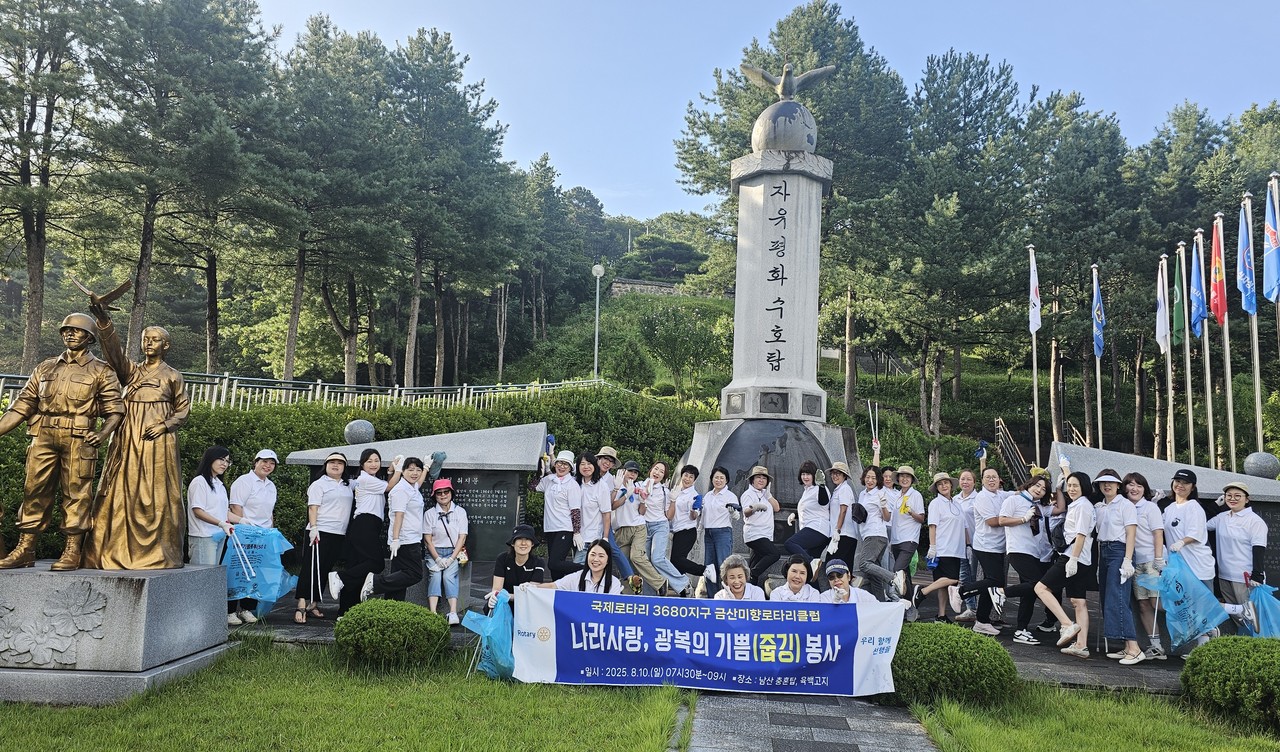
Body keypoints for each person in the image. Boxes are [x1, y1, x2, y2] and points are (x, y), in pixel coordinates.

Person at [0, 313, 124, 570]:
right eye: (66, 330)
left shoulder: (102, 370)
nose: (69, 334)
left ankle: (72, 550)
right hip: (43, 435)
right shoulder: (45, 367)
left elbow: (115, 410)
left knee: (76, 493)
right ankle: (25, 548)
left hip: (79, 438)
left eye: (76, 331)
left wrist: (102, 434)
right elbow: (22, 406)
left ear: (89, 338)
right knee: (34, 490)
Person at [82, 304, 191, 570]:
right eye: (145, 339)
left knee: (156, 491)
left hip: (158, 441)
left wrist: (165, 426)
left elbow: (183, 410)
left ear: (166, 345)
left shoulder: (173, 376)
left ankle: (159, 551)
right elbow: (114, 354)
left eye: (155, 339)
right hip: (128, 435)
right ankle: (113, 549)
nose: (149, 343)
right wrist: (104, 322)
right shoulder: (131, 371)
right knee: (121, 486)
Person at [329, 449, 404, 617]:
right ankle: (340, 577)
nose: (373, 464)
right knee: (376, 563)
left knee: (357, 568)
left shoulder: (371, 480)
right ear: (362, 464)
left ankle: (345, 611)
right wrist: (399, 469)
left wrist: (390, 471)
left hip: (366, 525)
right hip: (365, 524)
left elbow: (384, 483)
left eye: (376, 460)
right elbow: (389, 487)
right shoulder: (365, 479)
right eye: (369, 461)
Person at [1034, 469, 1096, 659]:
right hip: (1081, 558)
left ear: (1084, 487)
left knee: (1040, 588)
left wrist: (1073, 559)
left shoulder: (1082, 506)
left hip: (1072, 557)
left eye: (1075, 485)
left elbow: (1081, 535)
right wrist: (1060, 488)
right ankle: (1081, 646)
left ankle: (1067, 624)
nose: (1072, 489)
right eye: (1069, 485)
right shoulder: (1079, 504)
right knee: (1078, 602)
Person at [293, 451, 354, 624]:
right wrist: (314, 528)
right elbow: (313, 507)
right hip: (319, 531)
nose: (336, 465)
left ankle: (313, 604)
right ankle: (301, 604)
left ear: (344, 467)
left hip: (338, 533)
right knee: (310, 567)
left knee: (324, 568)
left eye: (340, 463)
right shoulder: (319, 484)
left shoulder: (348, 484)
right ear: (325, 466)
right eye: (332, 462)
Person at [1162, 467, 1217, 655]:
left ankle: (1204, 647)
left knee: (1201, 605)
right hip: (1180, 566)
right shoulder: (1169, 509)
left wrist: (1181, 542)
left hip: (1198, 564)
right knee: (1190, 606)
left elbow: (1196, 533)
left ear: (1192, 487)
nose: (1180, 485)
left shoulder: (1194, 507)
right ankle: (1203, 644)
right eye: (1177, 481)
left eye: (1185, 483)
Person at [1093, 469, 1143, 664]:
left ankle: (1135, 648)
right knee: (1108, 597)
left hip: (1119, 551)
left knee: (1118, 597)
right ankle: (1126, 647)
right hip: (1104, 551)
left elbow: (1131, 533)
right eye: (1103, 483)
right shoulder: (1098, 506)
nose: (1107, 486)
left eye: (1111, 483)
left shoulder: (1125, 505)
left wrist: (1127, 560)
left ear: (1118, 485)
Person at [225, 449, 280, 623]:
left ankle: (247, 608)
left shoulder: (271, 486)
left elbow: (269, 512)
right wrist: (244, 529)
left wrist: (270, 533)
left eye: (272, 463)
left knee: (256, 572)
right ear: (255, 462)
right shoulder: (244, 481)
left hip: (263, 536)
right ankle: (230, 610)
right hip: (245, 534)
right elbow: (236, 507)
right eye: (264, 461)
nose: (268, 466)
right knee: (238, 572)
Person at [998, 475, 1051, 645]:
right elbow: (1002, 520)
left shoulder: (1038, 506)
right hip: (1018, 549)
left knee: (1029, 593)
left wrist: (1058, 486)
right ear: (1029, 484)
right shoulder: (1014, 500)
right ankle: (1001, 592)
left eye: (1044, 489)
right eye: (1037, 485)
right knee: (1037, 585)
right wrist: (1023, 519)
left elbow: (1059, 509)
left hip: (1034, 553)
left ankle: (1021, 630)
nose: (1039, 490)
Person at [1207, 481, 1266, 634]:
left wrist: (1257, 574)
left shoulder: (1254, 520)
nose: (1232, 499)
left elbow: (1259, 548)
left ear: (1247, 499)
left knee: (1253, 617)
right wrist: (1214, 506)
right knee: (1238, 617)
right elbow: (1200, 525)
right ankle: (1244, 642)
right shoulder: (1222, 517)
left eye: (1237, 496)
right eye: (1229, 495)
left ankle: (1260, 643)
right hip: (1224, 575)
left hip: (1245, 577)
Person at [1123, 472, 1167, 660]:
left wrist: (1158, 559)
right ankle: (1156, 647)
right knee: (1143, 604)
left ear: (1144, 489)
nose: (1134, 489)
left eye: (1139, 485)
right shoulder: (1123, 506)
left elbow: (1158, 533)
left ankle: (1201, 625)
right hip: (1135, 562)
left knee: (1158, 603)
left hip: (1151, 561)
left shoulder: (1150, 507)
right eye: (1131, 484)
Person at [961, 467, 1009, 636]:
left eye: (994, 477)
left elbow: (1019, 493)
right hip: (985, 546)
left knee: (993, 583)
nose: (991, 480)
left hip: (998, 547)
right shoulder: (982, 497)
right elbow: (993, 522)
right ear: (982, 481)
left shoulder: (1001, 495)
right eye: (987, 477)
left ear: (999, 479)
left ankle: (982, 621)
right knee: (996, 581)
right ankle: (961, 591)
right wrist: (1019, 519)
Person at [611, 460, 666, 594]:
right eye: (630, 471)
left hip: (638, 527)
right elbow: (611, 506)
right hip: (621, 530)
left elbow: (642, 512)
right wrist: (625, 494)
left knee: (637, 557)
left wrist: (642, 501)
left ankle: (660, 582)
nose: (632, 475)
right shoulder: (616, 487)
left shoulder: (638, 488)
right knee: (624, 564)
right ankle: (630, 594)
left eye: (635, 473)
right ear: (624, 471)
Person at [186, 446, 241, 567]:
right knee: (203, 576)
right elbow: (198, 511)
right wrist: (221, 523)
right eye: (221, 459)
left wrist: (242, 520)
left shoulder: (220, 485)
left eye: (227, 461)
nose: (224, 464)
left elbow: (223, 512)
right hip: (204, 536)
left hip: (219, 535)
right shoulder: (200, 482)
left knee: (213, 575)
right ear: (210, 459)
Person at [424, 477, 468, 624]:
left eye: (446, 492)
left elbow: (462, 537)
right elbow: (427, 539)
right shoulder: (429, 514)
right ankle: (433, 612)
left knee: (449, 577)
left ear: (451, 493)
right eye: (439, 493)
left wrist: (451, 558)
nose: (443, 495)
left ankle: (453, 612)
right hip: (434, 552)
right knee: (435, 576)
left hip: (453, 552)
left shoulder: (460, 512)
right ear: (434, 495)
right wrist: (437, 558)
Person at [641, 461, 688, 596]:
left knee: (657, 558)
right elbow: (639, 510)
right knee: (647, 564)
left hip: (660, 526)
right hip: (644, 527)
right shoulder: (640, 486)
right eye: (656, 469)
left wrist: (673, 500)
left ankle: (683, 583)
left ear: (664, 476)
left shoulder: (664, 491)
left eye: (661, 472)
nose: (657, 473)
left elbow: (669, 516)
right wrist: (643, 497)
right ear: (651, 470)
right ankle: (649, 595)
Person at [852, 465, 897, 601]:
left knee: (864, 564)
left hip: (876, 534)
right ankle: (880, 605)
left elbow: (887, 518)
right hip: (867, 534)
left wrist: (883, 506)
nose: (870, 480)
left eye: (873, 478)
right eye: (868, 477)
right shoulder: (863, 494)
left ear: (878, 480)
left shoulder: (880, 493)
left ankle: (893, 578)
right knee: (874, 576)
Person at [536, 450, 582, 578]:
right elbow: (532, 486)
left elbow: (575, 510)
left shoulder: (572, 484)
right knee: (555, 569)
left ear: (570, 468)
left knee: (554, 563)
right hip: (550, 528)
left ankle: (587, 569)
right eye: (559, 463)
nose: (562, 466)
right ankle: (559, 587)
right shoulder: (549, 480)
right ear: (555, 464)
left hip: (565, 528)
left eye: (565, 464)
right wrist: (540, 473)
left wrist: (576, 532)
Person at [594, 446, 636, 582]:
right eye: (605, 459)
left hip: (603, 519)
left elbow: (611, 505)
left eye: (611, 461)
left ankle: (630, 577)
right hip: (585, 518)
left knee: (612, 548)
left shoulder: (611, 479)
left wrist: (619, 491)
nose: (607, 463)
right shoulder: (589, 472)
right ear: (598, 459)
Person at [485, 524, 547, 608]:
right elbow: (497, 589)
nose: (523, 543)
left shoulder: (538, 562)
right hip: (504, 604)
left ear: (532, 544)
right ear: (513, 543)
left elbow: (531, 593)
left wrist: (507, 596)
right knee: (490, 605)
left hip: (527, 605)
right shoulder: (502, 559)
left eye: (527, 539)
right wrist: (494, 597)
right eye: (519, 539)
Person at [741, 465, 781, 587]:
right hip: (754, 534)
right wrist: (754, 507)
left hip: (766, 534)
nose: (761, 480)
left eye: (764, 478)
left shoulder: (766, 494)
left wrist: (769, 496)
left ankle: (750, 589)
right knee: (774, 554)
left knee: (755, 563)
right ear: (752, 480)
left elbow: (777, 508)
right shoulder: (748, 494)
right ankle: (751, 574)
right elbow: (746, 512)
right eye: (758, 477)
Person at [532, 539, 622, 594]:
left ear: (608, 560)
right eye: (593, 554)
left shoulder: (614, 583)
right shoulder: (577, 577)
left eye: (601, 556)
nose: (596, 559)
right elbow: (553, 586)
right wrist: (532, 587)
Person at [784, 461, 830, 567]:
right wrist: (795, 515)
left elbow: (824, 501)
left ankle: (811, 562)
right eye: (803, 474)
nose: (805, 477)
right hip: (814, 529)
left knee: (790, 544)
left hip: (817, 529)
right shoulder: (807, 491)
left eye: (808, 474)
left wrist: (821, 485)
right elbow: (809, 508)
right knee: (809, 570)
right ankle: (812, 568)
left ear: (814, 475)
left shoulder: (819, 488)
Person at [701, 466, 738, 597]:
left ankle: (726, 596)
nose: (719, 480)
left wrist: (733, 512)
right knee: (709, 567)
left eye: (722, 478)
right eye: (716, 477)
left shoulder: (730, 496)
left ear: (726, 480)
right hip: (708, 533)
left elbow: (736, 515)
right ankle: (713, 597)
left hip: (723, 533)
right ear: (712, 479)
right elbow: (703, 515)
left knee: (723, 565)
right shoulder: (708, 496)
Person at [669, 465, 705, 594]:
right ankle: (685, 591)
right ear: (682, 475)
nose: (687, 479)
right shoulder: (676, 491)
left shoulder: (694, 495)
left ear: (694, 480)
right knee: (679, 564)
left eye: (691, 477)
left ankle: (704, 570)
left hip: (687, 531)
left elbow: (694, 515)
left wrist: (693, 511)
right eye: (686, 475)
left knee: (676, 560)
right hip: (677, 531)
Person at [889, 465, 924, 594]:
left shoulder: (915, 495)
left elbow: (921, 518)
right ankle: (910, 602)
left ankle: (901, 599)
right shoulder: (897, 495)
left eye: (907, 476)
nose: (904, 479)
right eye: (902, 476)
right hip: (896, 540)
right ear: (898, 479)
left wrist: (911, 512)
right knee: (905, 573)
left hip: (909, 539)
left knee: (897, 570)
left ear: (912, 479)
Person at [952, 469, 981, 621]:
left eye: (969, 479)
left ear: (974, 482)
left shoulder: (979, 498)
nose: (965, 482)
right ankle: (971, 608)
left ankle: (982, 609)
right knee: (964, 576)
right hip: (960, 544)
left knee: (977, 576)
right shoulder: (954, 499)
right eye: (963, 479)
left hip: (978, 543)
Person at [575, 454, 611, 566]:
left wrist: (605, 537)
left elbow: (606, 513)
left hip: (591, 538)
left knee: (579, 567)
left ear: (595, 466)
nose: (586, 467)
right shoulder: (575, 483)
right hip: (575, 536)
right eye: (582, 464)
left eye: (589, 463)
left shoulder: (601, 486)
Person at [827, 462, 859, 569]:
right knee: (843, 567)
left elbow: (843, 510)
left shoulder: (845, 488)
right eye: (833, 473)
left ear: (844, 476)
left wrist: (837, 530)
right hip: (841, 534)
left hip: (844, 534)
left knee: (833, 565)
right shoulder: (838, 490)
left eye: (838, 474)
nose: (835, 476)